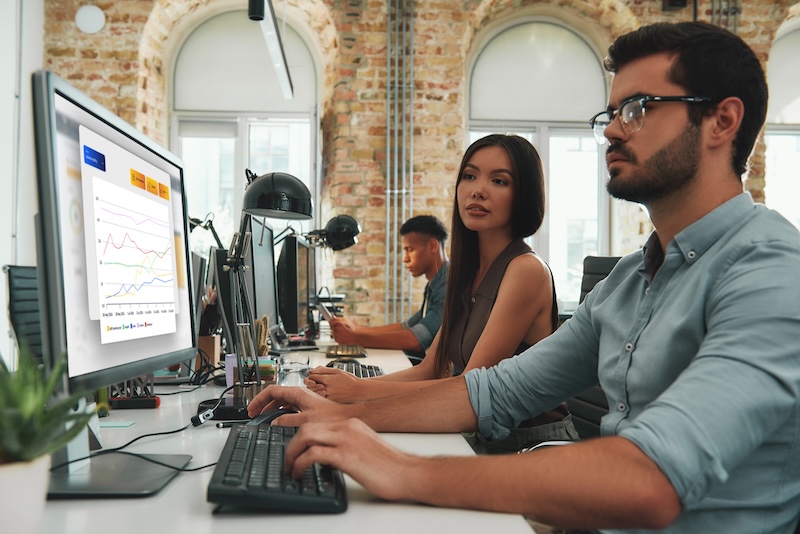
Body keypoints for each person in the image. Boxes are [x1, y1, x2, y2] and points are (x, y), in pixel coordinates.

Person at [250, 21, 800, 532]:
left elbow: (650, 478)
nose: (611, 130)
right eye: (608, 113)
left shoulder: (772, 272)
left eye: (638, 107)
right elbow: (493, 392)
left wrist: (402, 470)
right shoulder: (632, 279)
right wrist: (344, 412)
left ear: (722, 121)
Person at [308, 135, 576, 451]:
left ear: (524, 195)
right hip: (482, 435)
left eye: (499, 180)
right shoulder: (465, 272)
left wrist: (356, 397)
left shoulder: (525, 270)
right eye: (470, 176)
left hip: (530, 447)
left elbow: (469, 391)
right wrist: (354, 386)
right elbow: (430, 368)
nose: (478, 189)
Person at [327, 214, 449, 359]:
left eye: (410, 249)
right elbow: (407, 326)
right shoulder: (435, 284)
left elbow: (416, 339)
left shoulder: (448, 284)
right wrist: (355, 329)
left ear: (433, 246)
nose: (405, 258)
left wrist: (355, 338)